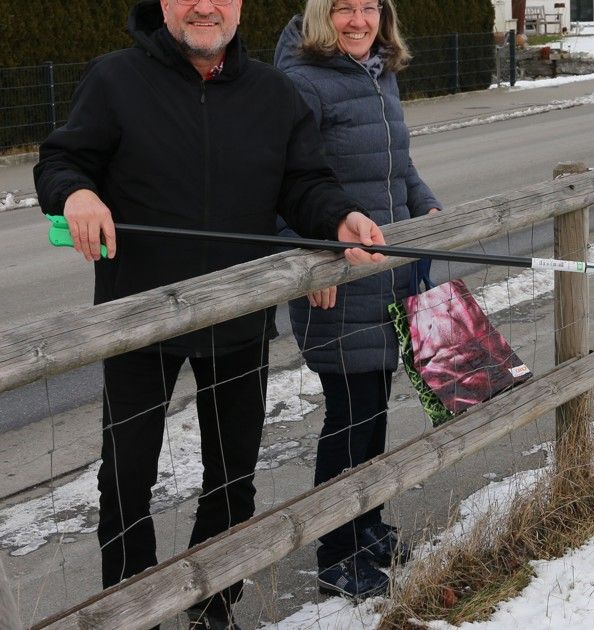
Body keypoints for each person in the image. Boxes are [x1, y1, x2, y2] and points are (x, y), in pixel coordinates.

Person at [33, 0, 388, 628]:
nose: (205, 6)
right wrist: (78, 193)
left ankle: (213, 603)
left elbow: (304, 182)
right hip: (139, 323)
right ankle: (132, 608)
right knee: (125, 482)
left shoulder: (272, 93)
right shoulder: (115, 79)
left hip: (238, 320)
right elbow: (62, 160)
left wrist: (338, 216)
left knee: (232, 477)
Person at [273, 0, 441, 600]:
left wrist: (425, 204)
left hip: (388, 271)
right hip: (336, 279)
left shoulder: (379, 72)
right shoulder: (300, 82)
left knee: (374, 406)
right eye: (342, 7)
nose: (357, 20)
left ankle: (366, 521)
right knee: (349, 414)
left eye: (367, 6)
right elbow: (280, 181)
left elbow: (398, 165)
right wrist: (307, 257)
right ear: (322, 14)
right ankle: (334, 552)